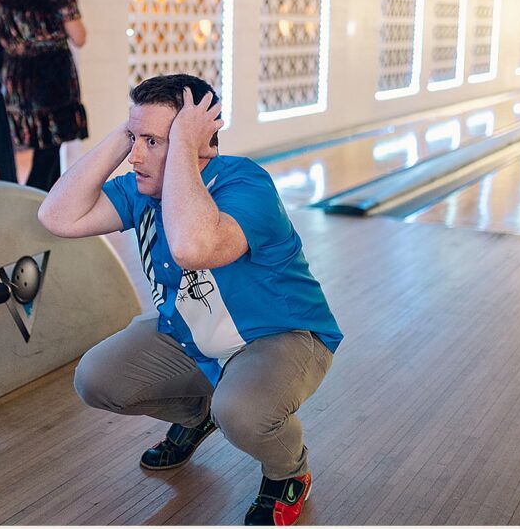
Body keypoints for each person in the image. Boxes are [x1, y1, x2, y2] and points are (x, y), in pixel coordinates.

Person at [37, 74, 343, 526]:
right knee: (96, 378)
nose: (137, 156)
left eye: (153, 141)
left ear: (199, 142)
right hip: (192, 336)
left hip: (280, 337)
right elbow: (57, 216)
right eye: (134, 138)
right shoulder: (144, 189)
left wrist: (181, 144)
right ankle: (198, 414)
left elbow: (193, 247)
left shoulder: (245, 184)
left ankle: (287, 471)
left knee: (241, 410)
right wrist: (128, 134)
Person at [0, 0, 88, 191]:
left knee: (45, 152)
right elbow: (79, 37)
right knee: (47, 155)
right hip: (50, 77)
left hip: (18, 77)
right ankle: (33, 216)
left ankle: (49, 212)